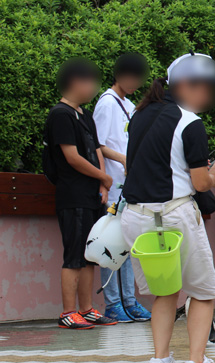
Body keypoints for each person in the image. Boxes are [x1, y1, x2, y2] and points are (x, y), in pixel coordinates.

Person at [120, 53, 215, 363]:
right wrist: (214, 178)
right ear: (188, 86)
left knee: (164, 292)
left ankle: (160, 361)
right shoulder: (189, 122)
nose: (207, 98)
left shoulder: (139, 116)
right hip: (175, 215)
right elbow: (198, 183)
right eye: (206, 89)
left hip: (136, 217)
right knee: (204, 291)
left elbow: (133, 166)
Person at [45, 59, 117, 330]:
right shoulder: (60, 114)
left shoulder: (83, 114)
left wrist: (102, 183)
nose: (93, 88)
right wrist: (102, 176)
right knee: (74, 254)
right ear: (75, 83)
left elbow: (96, 149)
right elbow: (72, 157)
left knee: (91, 254)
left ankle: (87, 309)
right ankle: (68, 312)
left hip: (91, 194)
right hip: (72, 195)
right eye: (89, 82)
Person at [93, 53, 151, 323]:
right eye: (132, 78)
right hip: (114, 186)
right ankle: (113, 304)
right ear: (120, 75)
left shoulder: (127, 104)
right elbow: (99, 145)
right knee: (111, 245)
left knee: (127, 246)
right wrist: (123, 161)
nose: (136, 84)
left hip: (129, 187)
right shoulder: (106, 103)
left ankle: (129, 301)